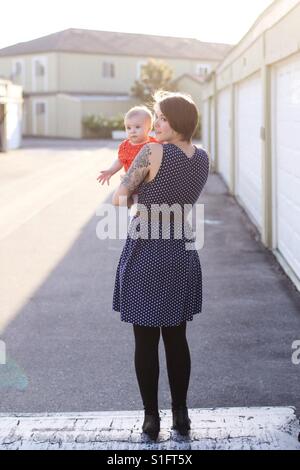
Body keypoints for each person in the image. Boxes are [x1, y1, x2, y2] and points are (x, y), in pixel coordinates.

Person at [111, 91, 210, 441]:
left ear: (178, 121)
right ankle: (181, 415)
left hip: (147, 247)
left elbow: (119, 197)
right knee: (177, 336)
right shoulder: (202, 158)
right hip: (181, 247)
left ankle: (151, 418)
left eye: (163, 118)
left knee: (145, 338)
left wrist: (137, 195)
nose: (158, 124)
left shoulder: (152, 151)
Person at [97, 106, 157, 210]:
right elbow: (120, 160)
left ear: (149, 128)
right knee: (123, 200)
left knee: (146, 205)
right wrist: (111, 171)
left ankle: (142, 209)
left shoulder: (153, 144)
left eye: (137, 127)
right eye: (128, 128)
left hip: (148, 184)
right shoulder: (125, 146)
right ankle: (134, 208)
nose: (132, 131)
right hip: (131, 184)